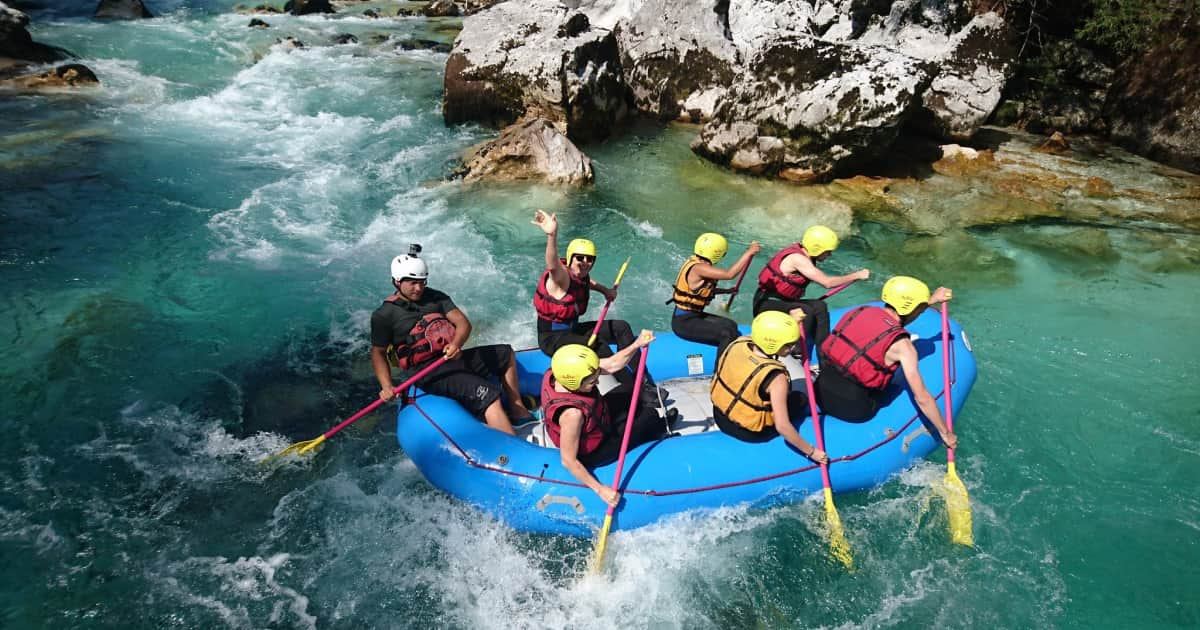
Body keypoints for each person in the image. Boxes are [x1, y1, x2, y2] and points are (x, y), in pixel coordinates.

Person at [370, 245, 531, 436]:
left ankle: (517, 409)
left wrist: (456, 343)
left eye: (422, 281)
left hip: (452, 357)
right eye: (412, 283)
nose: (419, 288)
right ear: (397, 282)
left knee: (505, 353)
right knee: (488, 394)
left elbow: (463, 323)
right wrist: (386, 386)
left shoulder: (435, 297)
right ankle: (512, 447)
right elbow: (378, 352)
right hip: (427, 372)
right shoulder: (384, 315)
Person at [531, 209, 663, 404]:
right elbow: (552, 265)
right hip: (552, 337)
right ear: (570, 258)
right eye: (580, 258)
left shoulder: (579, 275)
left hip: (572, 329)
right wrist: (552, 235)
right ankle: (637, 396)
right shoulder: (560, 277)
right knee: (599, 347)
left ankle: (643, 381)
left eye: (590, 259)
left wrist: (605, 291)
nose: (585, 263)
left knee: (621, 327)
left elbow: (587, 282)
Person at [814, 275, 958, 449]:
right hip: (853, 409)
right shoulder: (904, 347)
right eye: (920, 309)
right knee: (896, 383)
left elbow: (901, 314)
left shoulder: (859, 311)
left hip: (819, 391)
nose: (920, 313)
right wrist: (946, 433)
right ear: (914, 308)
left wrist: (931, 300)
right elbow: (922, 399)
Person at [542, 335, 668, 506]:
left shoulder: (561, 372)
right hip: (595, 451)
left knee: (632, 390)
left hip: (598, 417)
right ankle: (657, 431)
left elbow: (612, 364)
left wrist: (637, 344)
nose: (598, 381)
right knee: (649, 415)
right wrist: (600, 489)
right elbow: (568, 460)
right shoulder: (572, 415)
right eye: (592, 382)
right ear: (573, 382)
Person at [710, 310, 829, 464]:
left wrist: (791, 322)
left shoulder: (738, 343)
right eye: (789, 345)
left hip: (720, 415)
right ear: (775, 344)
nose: (792, 348)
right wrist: (812, 452)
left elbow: (764, 335)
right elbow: (782, 427)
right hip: (748, 432)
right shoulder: (777, 379)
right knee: (800, 398)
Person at [752, 225, 870, 353]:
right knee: (806, 310)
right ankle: (796, 352)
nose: (829, 255)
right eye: (827, 251)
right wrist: (857, 275)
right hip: (765, 304)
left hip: (782, 302)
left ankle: (824, 352)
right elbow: (827, 283)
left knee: (820, 306)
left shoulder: (804, 254)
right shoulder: (798, 259)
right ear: (817, 248)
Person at [668, 232, 760, 359]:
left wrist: (727, 291)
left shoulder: (697, 263)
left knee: (731, 325)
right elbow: (729, 274)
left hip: (694, 316)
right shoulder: (698, 268)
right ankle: (721, 370)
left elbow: (700, 291)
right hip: (684, 323)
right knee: (726, 333)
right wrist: (748, 252)